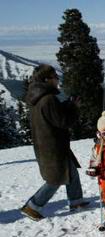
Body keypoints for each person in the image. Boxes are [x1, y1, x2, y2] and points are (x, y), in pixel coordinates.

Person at [20, 64, 89, 221]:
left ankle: (76, 201)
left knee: (70, 171)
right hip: (53, 145)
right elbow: (63, 121)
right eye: (55, 77)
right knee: (56, 178)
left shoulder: (38, 97)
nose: (58, 80)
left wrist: (67, 105)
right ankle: (33, 206)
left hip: (46, 142)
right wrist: (74, 107)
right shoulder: (49, 98)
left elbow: (54, 116)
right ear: (47, 79)